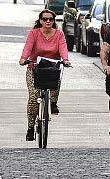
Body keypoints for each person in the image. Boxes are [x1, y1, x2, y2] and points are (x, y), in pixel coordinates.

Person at [19, 9, 71, 141]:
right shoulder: (34, 33)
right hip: (34, 69)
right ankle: (30, 128)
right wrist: (23, 59)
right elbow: (28, 47)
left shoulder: (59, 34)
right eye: (45, 19)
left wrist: (65, 59)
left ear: (54, 21)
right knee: (33, 97)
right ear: (40, 21)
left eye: (50, 19)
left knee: (56, 81)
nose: (48, 21)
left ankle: (53, 103)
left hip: (51, 68)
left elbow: (63, 47)